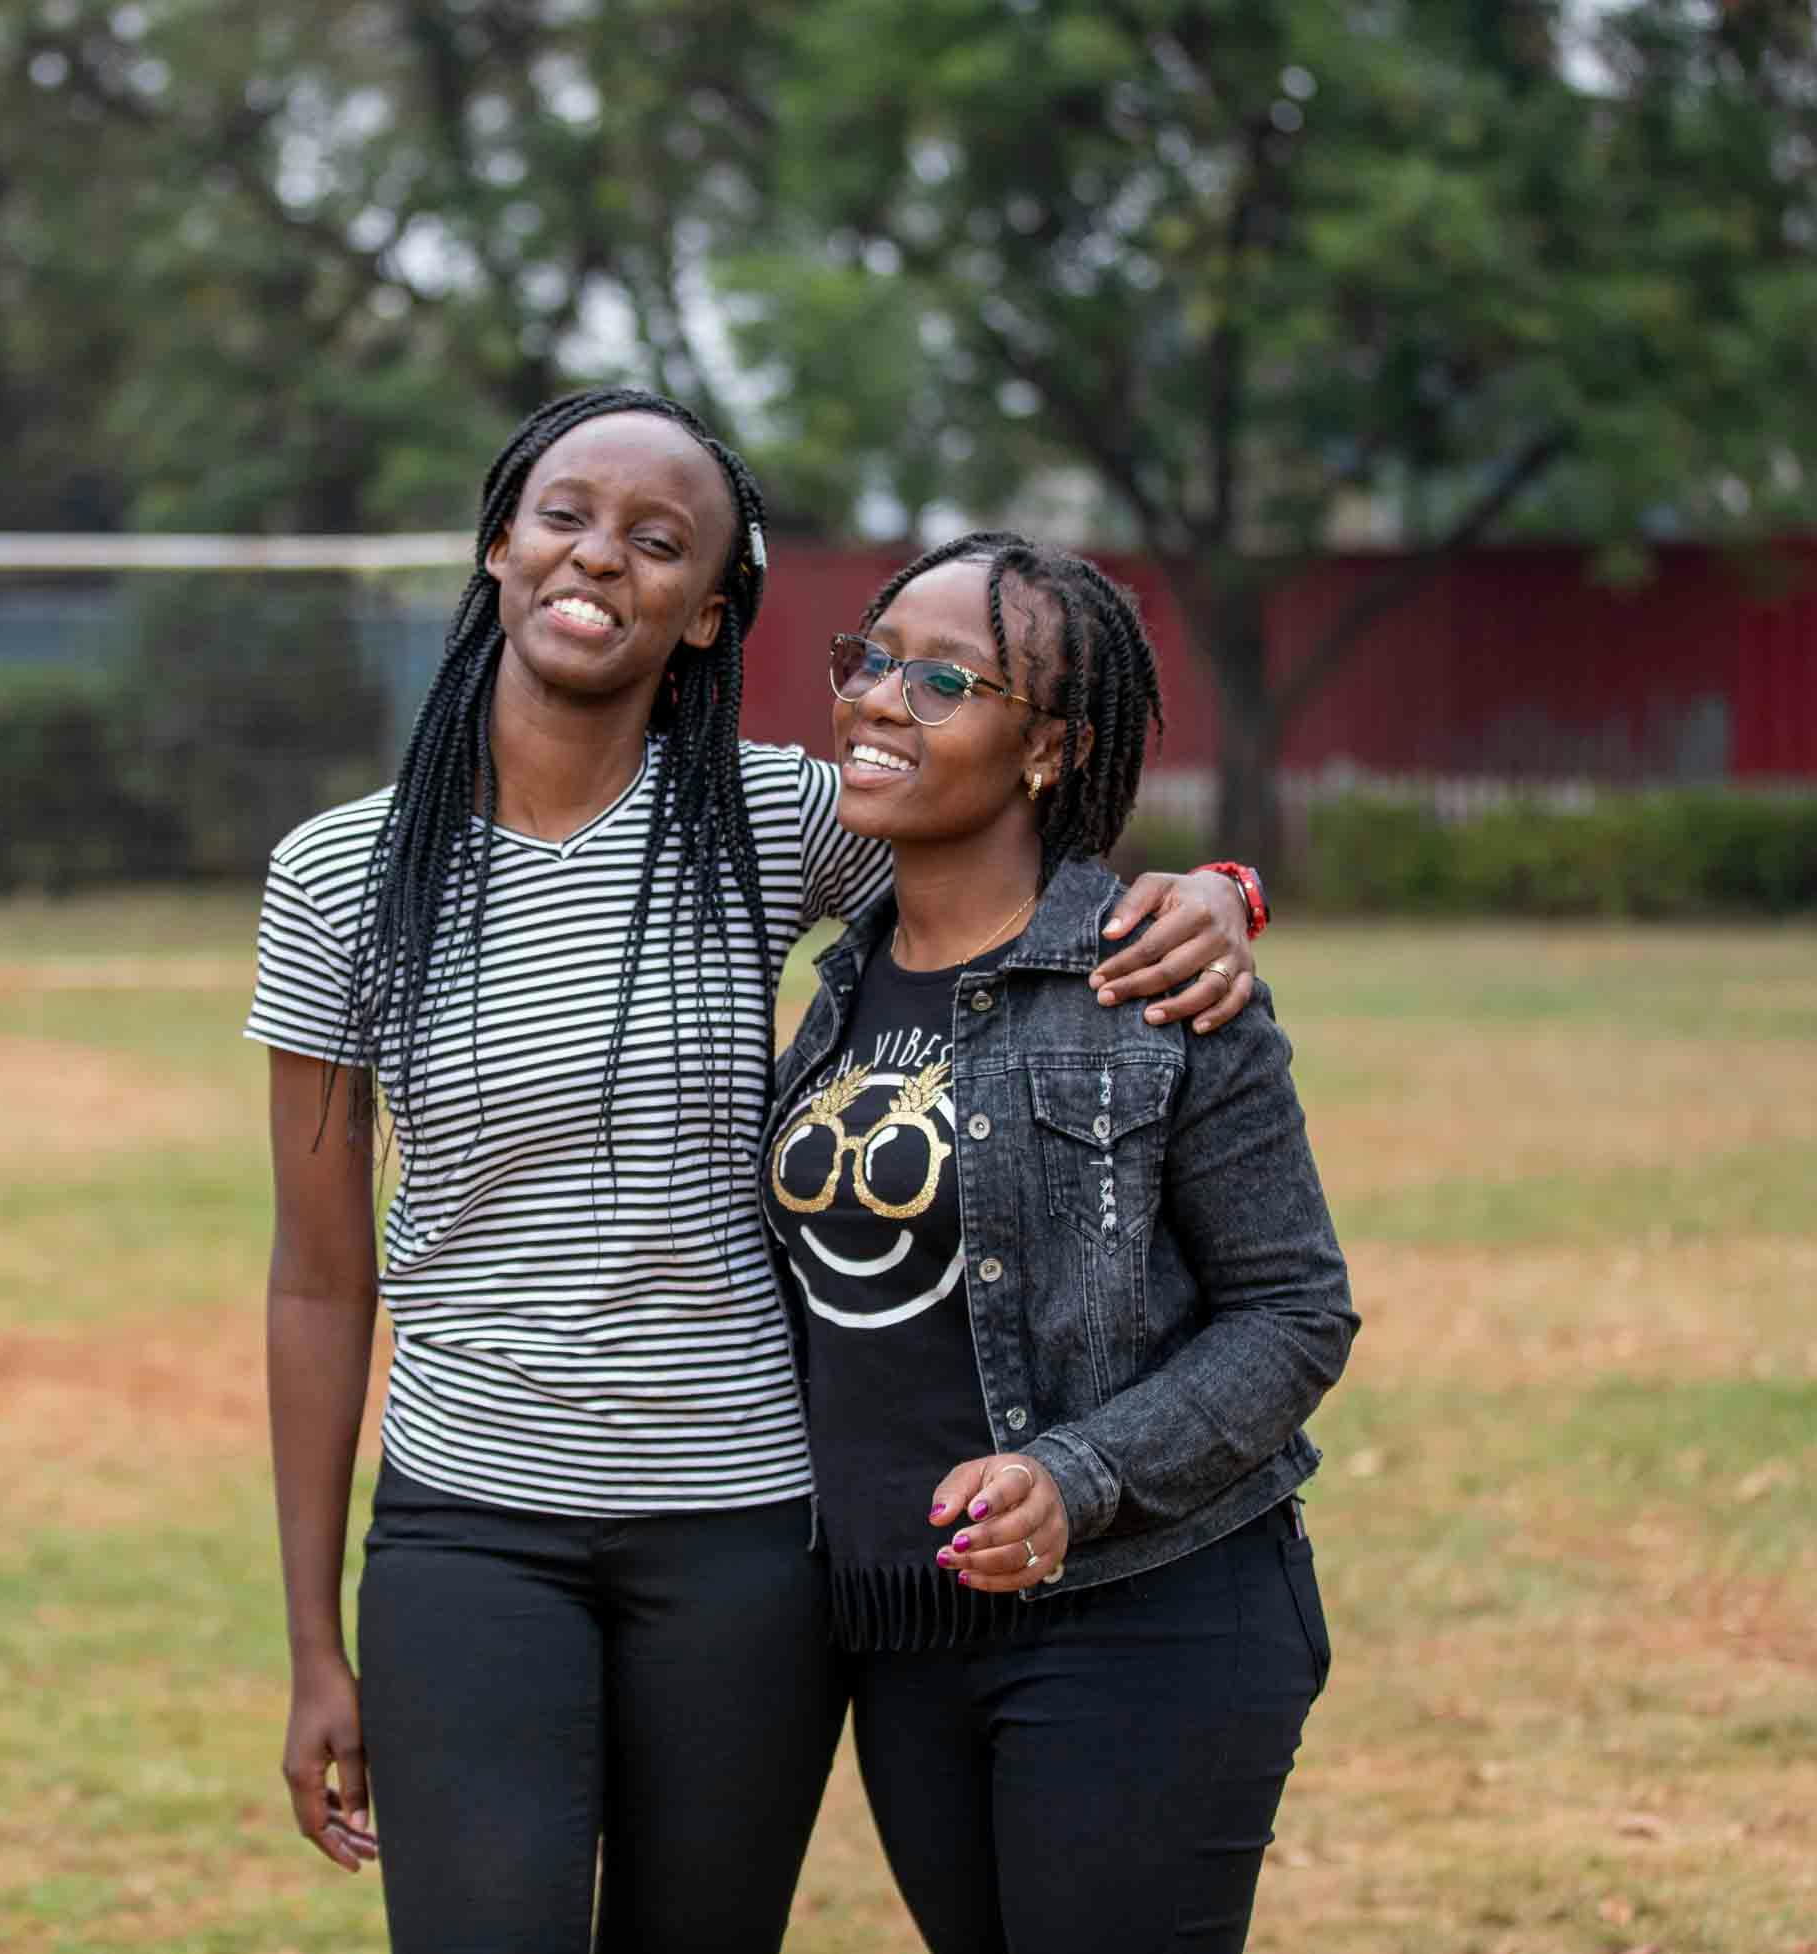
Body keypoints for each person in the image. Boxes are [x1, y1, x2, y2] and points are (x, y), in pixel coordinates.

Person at [247, 390, 1266, 1954]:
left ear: (709, 610)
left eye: (659, 541)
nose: (601, 557)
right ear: (498, 543)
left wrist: (1216, 890)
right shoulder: (339, 874)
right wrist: (316, 1642)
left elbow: (1028, 886)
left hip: (746, 1532)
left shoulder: (773, 819)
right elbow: (319, 1274)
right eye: (564, 513)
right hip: (470, 1518)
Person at [762, 531, 1355, 1954]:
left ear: (1047, 750)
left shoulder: (1149, 976)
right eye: (871, 657)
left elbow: (1292, 1311)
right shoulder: (838, 979)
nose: (881, 698)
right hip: (905, 1633)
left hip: (1139, 1618)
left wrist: (1069, 1476)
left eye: (946, 677)